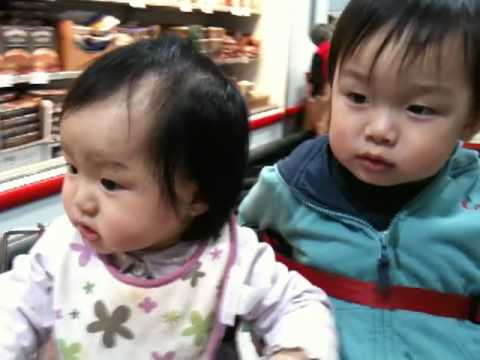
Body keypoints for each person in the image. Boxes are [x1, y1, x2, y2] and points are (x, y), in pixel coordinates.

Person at [0, 37, 338, 360]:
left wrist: (295, 350)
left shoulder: (230, 259)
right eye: (72, 168)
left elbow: (299, 304)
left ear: (198, 194)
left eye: (109, 182)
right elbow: (12, 308)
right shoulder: (63, 247)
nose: (79, 199)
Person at [239, 0, 480, 359]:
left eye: (418, 109)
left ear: (469, 121)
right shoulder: (289, 187)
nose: (379, 130)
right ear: (330, 90)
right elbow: (231, 258)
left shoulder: (473, 205)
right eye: (358, 97)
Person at [304, 23, 332, 135]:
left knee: (321, 123)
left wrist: (313, 94)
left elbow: (316, 77)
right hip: (333, 87)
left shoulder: (319, 52)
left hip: (324, 89)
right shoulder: (334, 48)